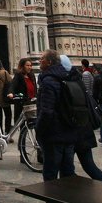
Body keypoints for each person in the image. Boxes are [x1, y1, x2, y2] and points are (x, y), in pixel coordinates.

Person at [62, 55, 102, 182]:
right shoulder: (79, 80)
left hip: (72, 132)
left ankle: (70, 190)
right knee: (89, 165)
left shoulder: (64, 84)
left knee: (67, 169)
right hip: (84, 129)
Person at [35, 50, 75, 181]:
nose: (39, 61)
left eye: (42, 59)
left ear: (49, 62)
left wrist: (39, 130)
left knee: (50, 175)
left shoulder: (48, 81)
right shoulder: (69, 77)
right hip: (69, 132)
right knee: (68, 173)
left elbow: (46, 111)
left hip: (54, 135)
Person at [9, 57, 38, 127]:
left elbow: (35, 88)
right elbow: (13, 85)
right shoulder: (19, 75)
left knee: (33, 124)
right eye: (27, 65)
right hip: (22, 103)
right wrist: (11, 93)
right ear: (22, 66)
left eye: (30, 65)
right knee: (23, 126)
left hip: (32, 104)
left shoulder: (31, 75)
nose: (29, 67)